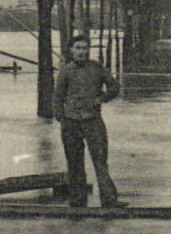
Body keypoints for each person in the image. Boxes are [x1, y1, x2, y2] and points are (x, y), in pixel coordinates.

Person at [52, 35, 125, 209]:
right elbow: (57, 97)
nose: (81, 52)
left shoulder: (97, 68)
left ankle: (109, 200)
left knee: (100, 161)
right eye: (77, 48)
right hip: (71, 122)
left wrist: (103, 98)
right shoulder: (65, 71)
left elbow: (114, 86)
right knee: (74, 162)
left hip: (93, 121)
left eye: (85, 48)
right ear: (71, 50)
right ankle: (78, 200)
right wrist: (61, 118)